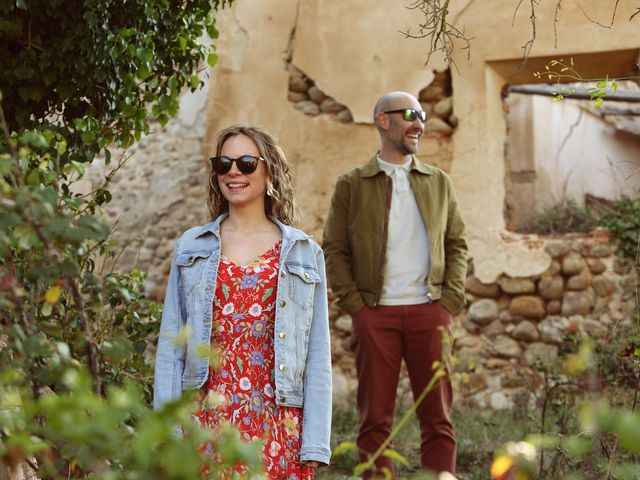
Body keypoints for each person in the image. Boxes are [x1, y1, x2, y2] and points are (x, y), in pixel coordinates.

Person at [154, 125, 332, 479]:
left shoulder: (303, 252)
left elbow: (317, 352)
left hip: (279, 423)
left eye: (247, 163)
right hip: (204, 418)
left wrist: (315, 440)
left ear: (269, 172)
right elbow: (172, 345)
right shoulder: (193, 246)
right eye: (224, 163)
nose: (234, 171)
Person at [322, 92, 467, 477]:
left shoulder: (439, 182)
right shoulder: (352, 184)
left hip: (430, 310)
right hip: (375, 315)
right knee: (375, 420)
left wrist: (448, 301)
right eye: (410, 115)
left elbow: (457, 243)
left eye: (422, 114)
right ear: (383, 121)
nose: (419, 123)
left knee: (437, 417)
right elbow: (334, 249)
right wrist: (356, 306)